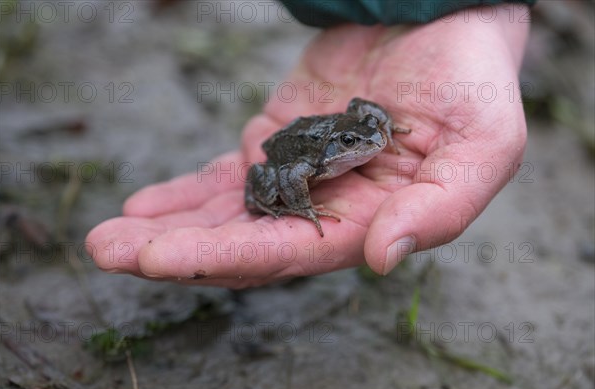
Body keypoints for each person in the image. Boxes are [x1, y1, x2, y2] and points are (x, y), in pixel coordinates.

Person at [86, 1, 535, 288]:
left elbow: (362, 104)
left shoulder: (361, 128)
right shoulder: (315, 163)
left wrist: (386, 125)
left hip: (321, 123)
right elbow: (289, 171)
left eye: (366, 134)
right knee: (270, 185)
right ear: (336, 146)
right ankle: (282, 208)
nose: (368, 141)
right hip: (288, 147)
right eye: (352, 141)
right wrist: (299, 206)